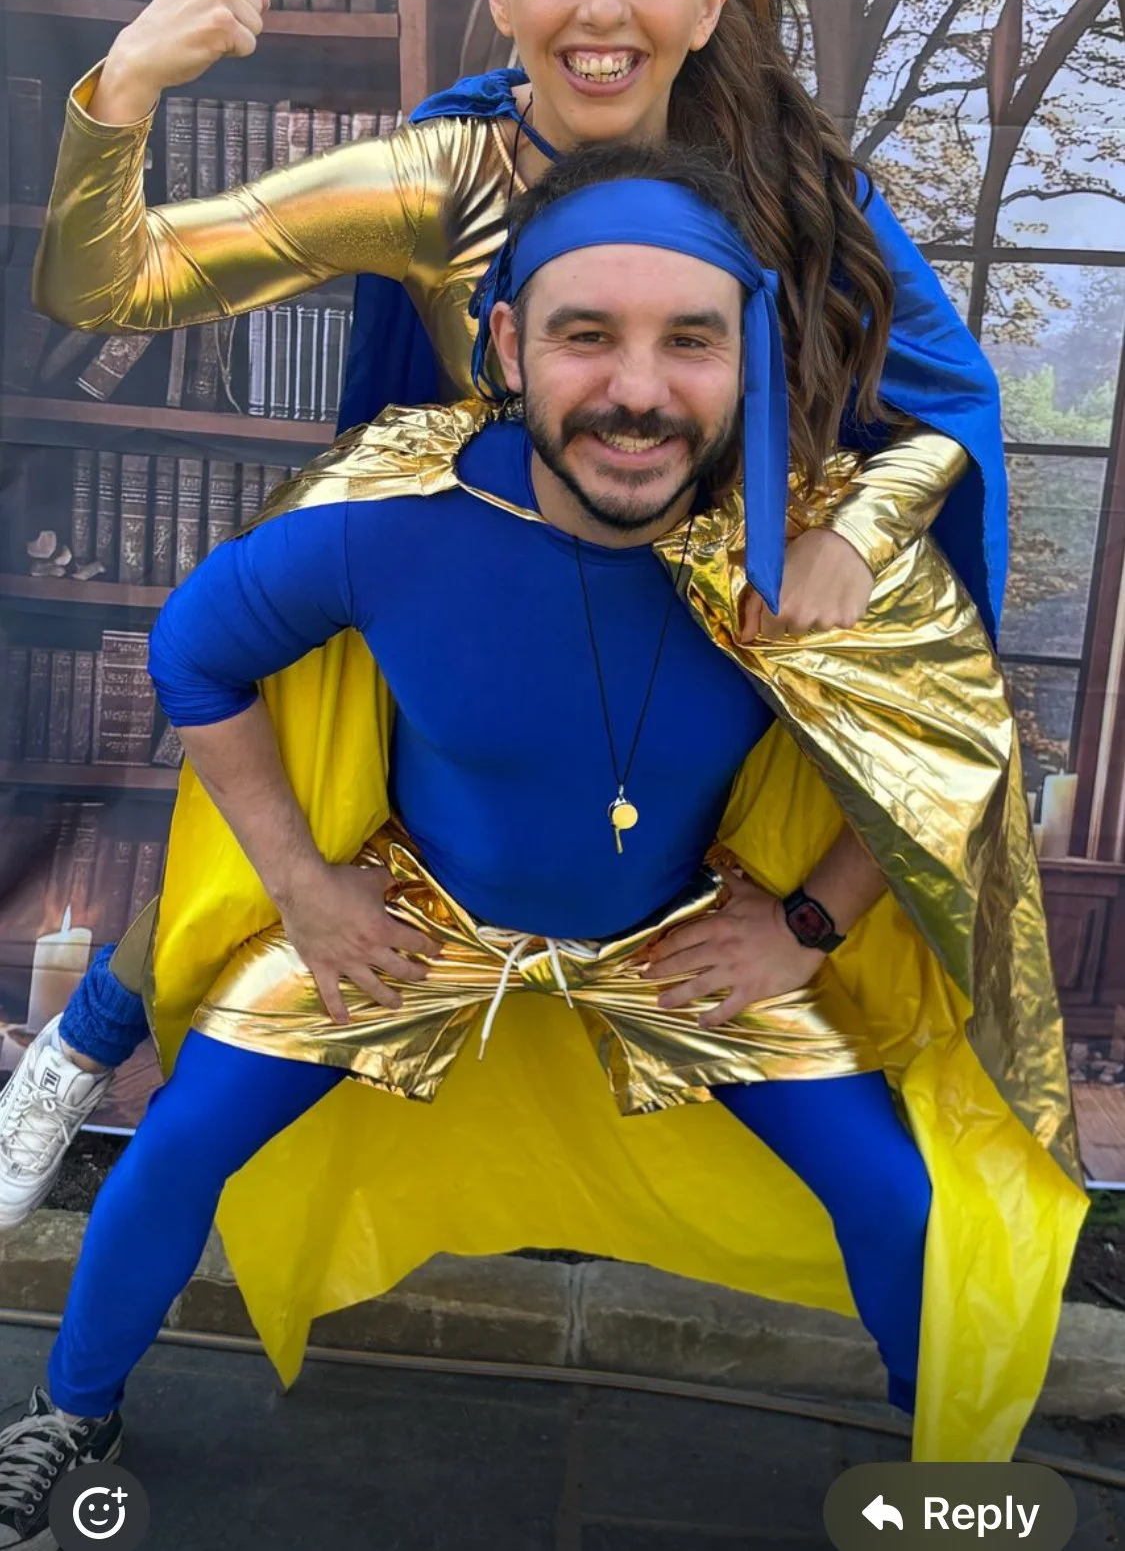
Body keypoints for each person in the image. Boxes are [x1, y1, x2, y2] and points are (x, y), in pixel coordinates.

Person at [0, 146, 1083, 1543]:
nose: (637, 389)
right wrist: (303, 888)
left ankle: (946, 1487)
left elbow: (939, 759)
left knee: (894, 1196)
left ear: (746, 352)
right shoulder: (395, 517)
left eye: (688, 339)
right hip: (416, 917)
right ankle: (71, 1411)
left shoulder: (805, 544)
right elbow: (196, 659)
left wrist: (803, 924)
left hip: (681, 939)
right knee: (183, 1136)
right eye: (587, 334)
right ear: (509, 343)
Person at [4, 0, 999, 1228]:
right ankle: (92, 1038)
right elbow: (113, 289)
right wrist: (124, 90)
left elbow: (951, 407)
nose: (604, 11)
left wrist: (848, 535)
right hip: (476, 574)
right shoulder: (440, 177)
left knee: (727, 843)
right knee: (298, 822)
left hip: (693, 610)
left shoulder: (784, 188)